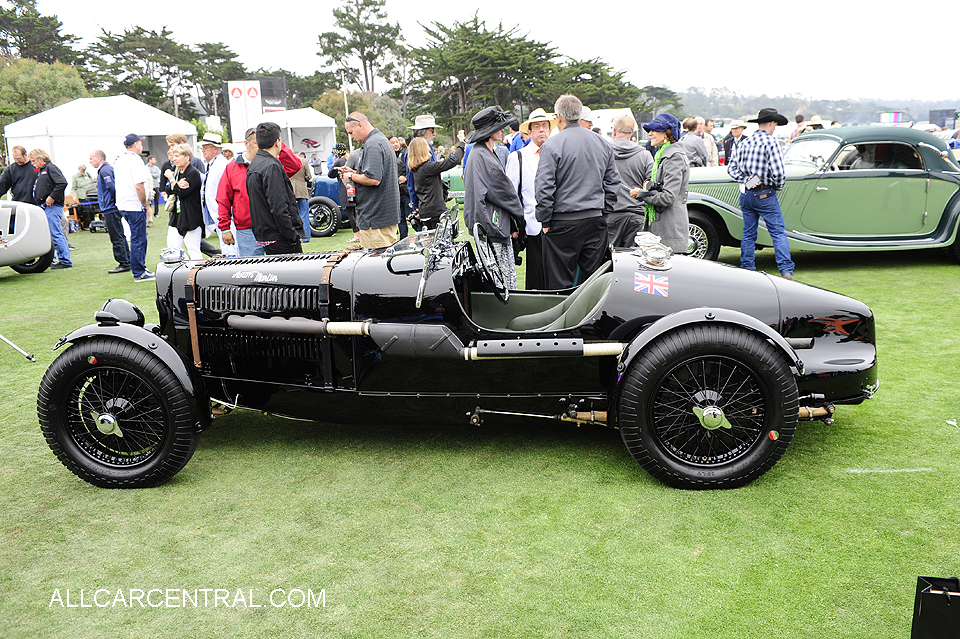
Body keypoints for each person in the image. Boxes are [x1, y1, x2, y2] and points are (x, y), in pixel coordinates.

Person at [535, 94, 619, 290]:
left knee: (559, 282)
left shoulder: (553, 144)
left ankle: (561, 319)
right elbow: (613, 183)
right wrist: (604, 211)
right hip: (594, 219)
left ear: (558, 117)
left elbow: (544, 187)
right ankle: (592, 319)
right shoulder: (602, 143)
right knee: (594, 282)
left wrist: (545, 220)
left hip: (563, 221)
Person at [727, 107, 795, 279]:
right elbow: (778, 172)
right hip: (766, 194)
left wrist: (748, 180)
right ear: (772, 123)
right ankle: (786, 270)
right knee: (778, 233)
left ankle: (748, 269)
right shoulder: (771, 142)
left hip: (746, 194)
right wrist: (778, 186)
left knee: (749, 234)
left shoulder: (743, 143)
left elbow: (731, 169)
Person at [463, 105, 524, 290]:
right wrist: (490, 230)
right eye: (499, 126)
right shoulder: (481, 156)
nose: (503, 129)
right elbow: (503, 195)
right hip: (492, 235)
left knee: (504, 284)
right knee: (499, 287)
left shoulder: (486, 152)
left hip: (495, 231)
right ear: (489, 132)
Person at [505, 108, 556, 289]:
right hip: (532, 227)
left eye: (544, 126)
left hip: (559, 227)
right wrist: (513, 225)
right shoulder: (517, 157)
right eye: (537, 126)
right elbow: (510, 195)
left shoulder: (559, 155)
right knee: (536, 279)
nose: (541, 130)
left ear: (550, 130)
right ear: (530, 131)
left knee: (557, 278)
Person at [340, 112, 399, 249]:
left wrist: (351, 177)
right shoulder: (381, 140)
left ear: (360, 125)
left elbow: (373, 179)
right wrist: (355, 173)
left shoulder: (372, 144)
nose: (351, 137)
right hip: (384, 217)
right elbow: (377, 174)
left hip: (375, 220)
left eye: (351, 132)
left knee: (375, 267)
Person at [632, 114, 690, 253]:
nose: (650, 133)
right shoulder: (662, 154)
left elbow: (668, 197)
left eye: (654, 130)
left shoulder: (673, 156)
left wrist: (641, 194)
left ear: (668, 133)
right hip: (663, 232)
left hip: (669, 234)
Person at [246, 122, 304, 255]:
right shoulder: (271, 166)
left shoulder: (254, 165)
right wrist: (292, 235)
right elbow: (279, 206)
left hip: (265, 234)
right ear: (277, 142)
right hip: (279, 236)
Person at [217, 128, 263, 257]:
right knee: (252, 271)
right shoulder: (232, 168)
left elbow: (294, 166)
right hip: (247, 230)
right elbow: (223, 198)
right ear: (246, 144)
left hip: (274, 228)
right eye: (257, 143)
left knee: (280, 271)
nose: (261, 147)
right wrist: (225, 228)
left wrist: (279, 142)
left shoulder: (271, 164)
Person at [607, 114, 653, 248]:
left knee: (609, 262)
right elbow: (651, 184)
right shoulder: (644, 155)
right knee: (633, 262)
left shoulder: (604, 152)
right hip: (636, 216)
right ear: (632, 132)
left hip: (611, 215)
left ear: (614, 131)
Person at [114, 133, 154, 282]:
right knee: (139, 239)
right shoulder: (135, 160)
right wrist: (144, 203)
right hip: (134, 205)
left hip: (123, 204)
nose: (141, 146)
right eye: (140, 144)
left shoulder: (120, 160)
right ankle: (139, 272)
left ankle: (140, 268)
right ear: (136, 144)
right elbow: (139, 185)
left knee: (136, 238)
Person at [408, 129, 465, 230]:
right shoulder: (427, 168)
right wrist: (461, 142)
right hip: (436, 212)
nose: (429, 149)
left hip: (425, 212)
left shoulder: (417, 169)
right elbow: (455, 160)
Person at [29, 149, 72, 269]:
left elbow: (62, 183)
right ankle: (52, 260)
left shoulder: (50, 168)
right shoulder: (44, 170)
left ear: (41, 159)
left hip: (51, 207)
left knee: (55, 233)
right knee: (50, 234)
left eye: (33, 161)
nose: (33, 164)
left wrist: (52, 197)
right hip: (46, 207)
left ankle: (65, 260)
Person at [90, 150, 130, 273]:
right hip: (111, 206)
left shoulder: (105, 170)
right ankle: (127, 260)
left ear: (98, 158)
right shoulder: (106, 169)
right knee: (119, 235)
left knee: (116, 236)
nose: (90, 162)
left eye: (91, 159)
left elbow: (111, 187)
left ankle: (124, 262)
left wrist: (111, 202)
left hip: (110, 207)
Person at [165, 144, 204, 260]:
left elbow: (182, 193)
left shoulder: (192, 172)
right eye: (173, 156)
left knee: (193, 247)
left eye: (177, 156)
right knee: (173, 247)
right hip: (177, 215)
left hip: (191, 215)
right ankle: (185, 270)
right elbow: (168, 189)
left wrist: (172, 181)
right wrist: (175, 185)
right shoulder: (177, 171)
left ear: (187, 157)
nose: (174, 158)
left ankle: (199, 275)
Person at [199, 132, 232, 255]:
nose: (203, 150)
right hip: (218, 213)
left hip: (224, 214)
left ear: (215, 149)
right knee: (225, 245)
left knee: (229, 246)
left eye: (205, 147)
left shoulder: (222, 165)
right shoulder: (213, 164)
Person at [405, 114, 441, 216]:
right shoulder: (413, 151)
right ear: (422, 132)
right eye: (432, 131)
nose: (434, 134)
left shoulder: (429, 146)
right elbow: (412, 181)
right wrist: (416, 207)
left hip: (434, 203)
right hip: (424, 206)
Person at [329, 144, 361, 243]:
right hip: (356, 188)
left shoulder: (340, 161)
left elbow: (330, 174)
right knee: (357, 212)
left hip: (345, 190)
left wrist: (335, 165)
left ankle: (357, 235)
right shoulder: (353, 157)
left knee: (350, 213)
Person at [290, 149, 314, 243]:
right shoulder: (304, 161)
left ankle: (294, 237)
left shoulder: (287, 161)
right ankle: (305, 237)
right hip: (302, 190)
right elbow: (309, 176)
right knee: (304, 214)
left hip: (290, 190)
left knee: (291, 214)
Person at [389, 135, 410, 239]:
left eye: (397, 141)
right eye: (393, 142)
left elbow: (411, 169)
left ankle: (421, 235)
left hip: (405, 190)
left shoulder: (405, 153)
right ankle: (403, 239)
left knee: (412, 215)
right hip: (395, 192)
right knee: (400, 217)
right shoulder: (388, 156)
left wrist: (405, 178)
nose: (396, 144)